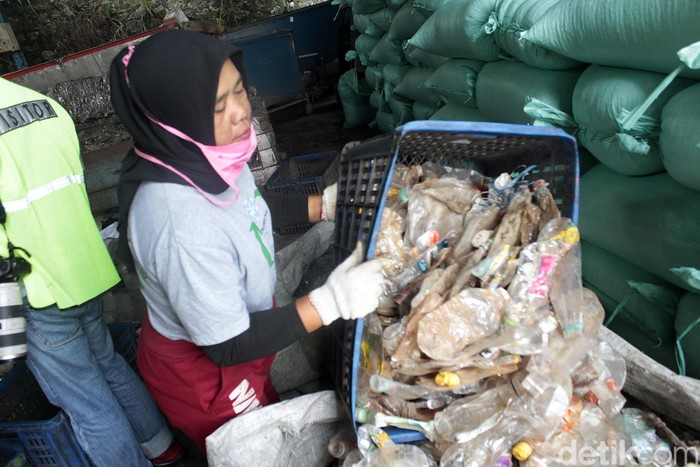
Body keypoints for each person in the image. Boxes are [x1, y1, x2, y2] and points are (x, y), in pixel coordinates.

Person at [109, 28, 385, 455]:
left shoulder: (205, 152)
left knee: (273, 415)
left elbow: (249, 204)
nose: (241, 112)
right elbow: (227, 346)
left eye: (239, 90)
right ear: (173, 119)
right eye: (219, 105)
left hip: (239, 326)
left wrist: (322, 207)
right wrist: (331, 304)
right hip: (207, 373)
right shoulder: (177, 224)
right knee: (261, 446)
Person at [0, 77, 186, 466]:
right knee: (108, 365)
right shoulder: (42, 104)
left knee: (86, 401)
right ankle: (163, 447)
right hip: (85, 270)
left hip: (40, 288)